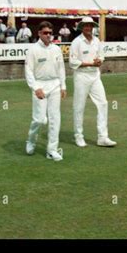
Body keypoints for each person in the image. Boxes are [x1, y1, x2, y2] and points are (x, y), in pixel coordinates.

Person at [69, 17, 116, 147]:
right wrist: (90, 63)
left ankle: (103, 137)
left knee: (103, 103)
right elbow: (72, 62)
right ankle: (78, 136)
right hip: (81, 76)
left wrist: (100, 61)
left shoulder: (96, 40)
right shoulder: (76, 42)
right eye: (85, 26)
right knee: (79, 106)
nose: (88, 28)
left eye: (90, 26)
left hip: (95, 76)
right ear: (81, 27)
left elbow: (101, 55)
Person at [24, 21, 66, 161]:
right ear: (39, 33)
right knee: (39, 119)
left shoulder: (56, 49)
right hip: (40, 85)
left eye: (50, 33)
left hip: (54, 84)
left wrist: (63, 86)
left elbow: (61, 69)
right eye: (45, 33)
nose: (48, 35)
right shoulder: (33, 50)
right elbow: (28, 71)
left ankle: (52, 150)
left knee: (55, 118)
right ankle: (31, 140)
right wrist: (35, 88)